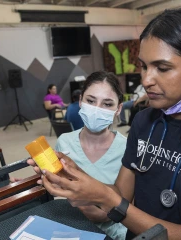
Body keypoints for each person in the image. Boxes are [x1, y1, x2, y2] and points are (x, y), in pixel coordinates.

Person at [30, 9, 181, 240]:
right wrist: (71, 173)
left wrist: (107, 199)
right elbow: (121, 194)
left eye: (162, 68)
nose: (146, 80)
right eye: (144, 66)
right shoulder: (144, 120)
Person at [51, 71, 127, 239]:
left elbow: (129, 204)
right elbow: (56, 187)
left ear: (118, 109)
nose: (96, 110)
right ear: (80, 101)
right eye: (91, 101)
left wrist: (102, 212)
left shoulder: (127, 149)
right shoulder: (64, 142)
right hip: (69, 229)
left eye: (107, 104)